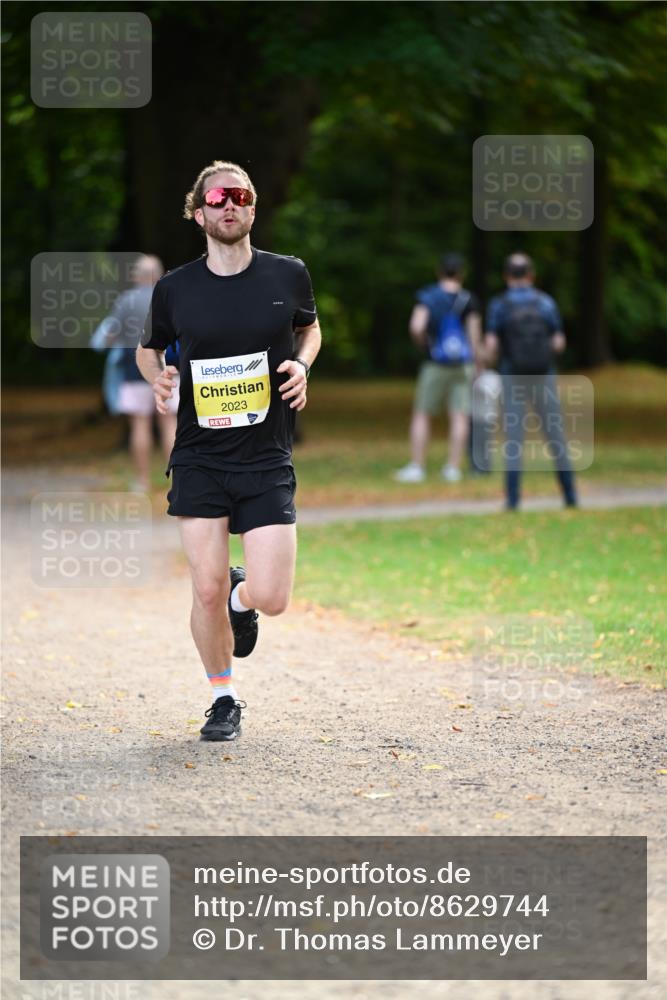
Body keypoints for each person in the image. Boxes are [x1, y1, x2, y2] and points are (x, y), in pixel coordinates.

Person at [136, 160, 321, 741]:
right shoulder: (175, 289)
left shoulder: (287, 275)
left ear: (253, 207)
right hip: (199, 457)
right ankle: (223, 697)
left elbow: (309, 328)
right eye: (217, 198)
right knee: (206, 585)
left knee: (272, 596)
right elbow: (150, 349)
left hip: (266, 456)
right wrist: (157, 378)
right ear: (199, 212)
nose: (229, 205)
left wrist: (302, 363)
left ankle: (244, 602)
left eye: (240, 195)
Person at [484, 253, 577, 510]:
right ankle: (570, 496)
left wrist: (488, 362)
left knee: (514, 438)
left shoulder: (500, 305)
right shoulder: (545, 302)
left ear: (506, 276)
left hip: (512, 375)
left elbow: (491, 344)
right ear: (531, 275)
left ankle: (513, 501)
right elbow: (559, 342)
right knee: (555, 435)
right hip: (543, 374)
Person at [92, 254, 178, 492]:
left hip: (134, 367)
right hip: (167, 367)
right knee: (169, 423)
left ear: (138, 276)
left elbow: (108, 335)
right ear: (160, 275)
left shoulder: (126, 300)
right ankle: (177, 482)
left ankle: (142, 481)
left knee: (140, 424)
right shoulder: (171, 298)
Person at [394, 253, 482, 483]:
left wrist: (424, 344)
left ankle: (418, 466)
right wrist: (477, 364)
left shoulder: (429, 296)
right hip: (462, 364)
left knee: (423, 414)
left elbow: (416, 326)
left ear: (439, 271)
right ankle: (452, 468)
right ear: (461, 273)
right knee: (459, 415)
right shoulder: (468, 299)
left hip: (435, 362)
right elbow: (474, 336)